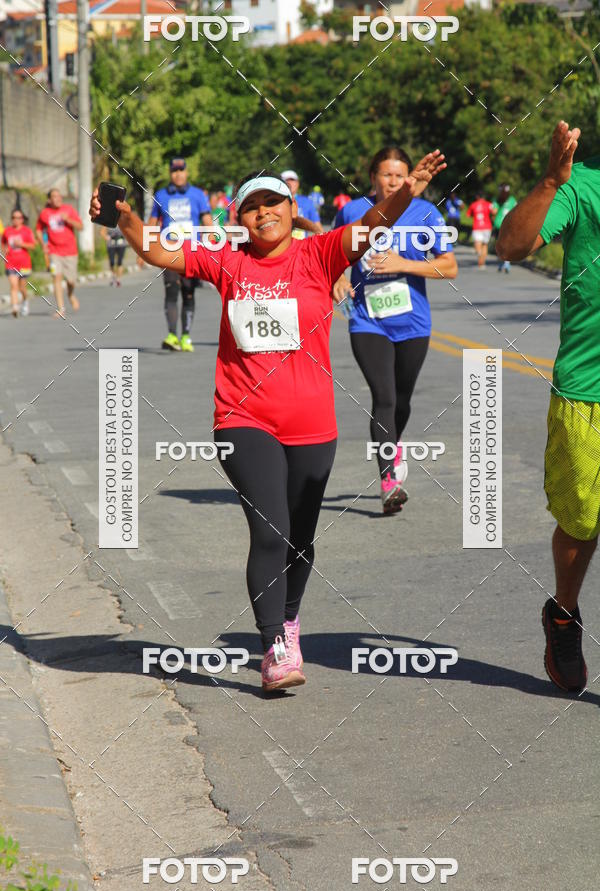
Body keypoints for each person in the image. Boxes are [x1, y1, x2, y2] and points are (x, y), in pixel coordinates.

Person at [90, 152, 445, 691]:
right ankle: (273, 644)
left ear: (291, 207)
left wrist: (406, 193)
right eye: (251, 206)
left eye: (272, 202)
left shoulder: (321, 254)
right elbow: (156, 250)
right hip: (242, 419)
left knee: (301, 540)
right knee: (271, 529)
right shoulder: (227, 261)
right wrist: (125, 219)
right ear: (240, 217)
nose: (263, 213)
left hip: (312, 426)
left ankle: (291, 618)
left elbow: (376, 225)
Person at [496, 120, 595, 694]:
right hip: (588, 386)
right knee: (581, 520)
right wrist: (551, 181)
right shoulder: (578, 185)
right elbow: (510, 246)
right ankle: (563, 612)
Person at [333, 146, 457, 514]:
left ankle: (395, 442)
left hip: (414, 324)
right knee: (384, 398)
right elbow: (331, 254)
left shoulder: (425, 213)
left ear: (409, 178)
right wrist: (338, 276)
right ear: (372, 177)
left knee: (401, 400)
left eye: (400, 175)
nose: (393, 181)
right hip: (367, 321)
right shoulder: (353, 212)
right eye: (386, 175)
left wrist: (404, 263)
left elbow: (449, 267)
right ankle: (389, 482)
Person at [148, 157, 213, 352]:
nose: (178, 174)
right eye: (174, 171)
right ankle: (171, 335)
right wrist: (143, 249)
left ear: (186, 172)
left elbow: (208, 222)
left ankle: (185, 336)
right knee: (171, 291)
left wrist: (212, 245)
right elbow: (151, 224)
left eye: (181, 170)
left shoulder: (198, 195)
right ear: (170, 173)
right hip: (168, 252)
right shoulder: (161, 195)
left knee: (188, 294)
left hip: (192, 253)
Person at [36, 188, 82, 318]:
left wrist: (68, 219)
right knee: (56, 277)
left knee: (71, 281)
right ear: (49, 200)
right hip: (54, 252)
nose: (58, 198)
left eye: (59, 196)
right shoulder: (45, 213)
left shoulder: (69, 209)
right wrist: (43, 243)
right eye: (54, 196)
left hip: (70, 251)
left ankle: (70, 294)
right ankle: (61, 309)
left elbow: (80, 227)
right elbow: (38, 230)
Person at [2, 209, 36, 318]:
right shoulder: (7, 231)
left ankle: (25, 301)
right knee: (13, 285)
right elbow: (3, 243)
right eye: (14, 218)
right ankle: (15, 307)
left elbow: (33, 246)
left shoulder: (26, 231)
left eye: (18, 218)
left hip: (24, 263)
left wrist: (22, 244)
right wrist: (5, 250)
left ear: (22, 220)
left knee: (22, 287)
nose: (16, 220)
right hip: (11, 263)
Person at [280, 169, 323, 237]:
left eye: (292, 180)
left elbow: (318, 229)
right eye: (286, 180)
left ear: (298, 183)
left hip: (301, 245)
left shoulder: (307, 202)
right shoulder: (274, 202)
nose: (289, 182)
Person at [466, 192, 496, 270]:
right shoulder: (489, 204)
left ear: (477, 197)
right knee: (485, 244)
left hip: (477, 226)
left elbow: (468, 215)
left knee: (477, 243)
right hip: (487, 226)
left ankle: (479, 255)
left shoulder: (473, 205)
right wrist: (493, 218)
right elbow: (494, 212)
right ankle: (482, 262)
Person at [493, 183, 517, 273]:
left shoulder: (499, 200)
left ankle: (504, 263)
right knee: (505, 245)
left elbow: (494, 212)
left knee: (503, 245)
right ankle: (504, 262)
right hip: (504, 225)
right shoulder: (509, 200)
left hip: (503, 225)